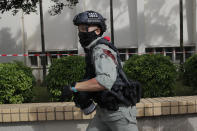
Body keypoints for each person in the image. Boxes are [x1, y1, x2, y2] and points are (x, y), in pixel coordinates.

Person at [63, 10, 140, 131]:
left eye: (84, 28)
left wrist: (75, 87)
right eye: (79, 29)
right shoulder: (92, 50)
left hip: (119, 113)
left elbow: (105, 80)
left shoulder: (100, 49)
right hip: (103, 112)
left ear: (97, 31)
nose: (81, 33)